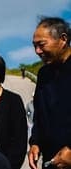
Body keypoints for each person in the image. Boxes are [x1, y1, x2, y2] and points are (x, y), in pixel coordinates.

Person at [28, 16, 71, 169]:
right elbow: (39, 113)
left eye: (42, 44)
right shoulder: (43, 74)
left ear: (63, 39)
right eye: (34, 46)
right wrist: (35, 142)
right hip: (51, 160)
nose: (37, 51)